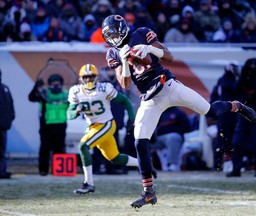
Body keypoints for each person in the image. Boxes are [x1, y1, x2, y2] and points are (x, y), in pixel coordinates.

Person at [101, 14, 256, 208]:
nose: (114, 37)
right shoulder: (113, 54)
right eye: (110, 34)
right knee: (139, 141)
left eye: (116, 32)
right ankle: (148, 192)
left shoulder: (141, 34)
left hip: (168, 85)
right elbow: (124, 84)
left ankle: (236, 106)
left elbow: (169, 56)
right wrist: (125, 62)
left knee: (210, 111)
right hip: (150, 98)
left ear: (124, 28)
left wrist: (149, 48)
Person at [67, 64, 154, 194]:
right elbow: (69, 113)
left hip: (106, 124)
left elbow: (124, 100)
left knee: (83, 146)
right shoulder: (76, 91)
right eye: (85, 77)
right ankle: (146, 164)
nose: (88, 80)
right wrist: (77, 111)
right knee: (115, 158)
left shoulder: (104, 88)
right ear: (81, 79)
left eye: (91, 77)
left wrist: (131, 118)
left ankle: (88, 183)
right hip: (92, 127)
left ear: (96, 77)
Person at [28, 73, 69, 176]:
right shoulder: (44, 94)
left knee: (59, 148)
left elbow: (77, 103)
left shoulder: (66, 95)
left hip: (61, 125)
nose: (55, 86)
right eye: (53, 84)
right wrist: (36, 86)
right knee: (45, 148)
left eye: (58, 84)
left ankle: (58, 170)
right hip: (46, 126)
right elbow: (31, 98)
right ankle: (43, 170)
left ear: (61, 84)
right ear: (49, 84)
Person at [152, 106, 191, 171]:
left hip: (175, 138)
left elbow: (186, 128)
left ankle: (173, 164)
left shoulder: (179, 112)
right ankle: (143, 165)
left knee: (173, 137)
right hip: (159, 139)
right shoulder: (160, 112)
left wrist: (168, 129)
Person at [0, 69, 15, 179]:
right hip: (3, 125)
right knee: (1, 150)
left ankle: (2, 171)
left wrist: (9, 119)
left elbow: (10, 106)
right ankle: (2, 171)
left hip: (3, 125)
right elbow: (11, 107)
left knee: (2, 150)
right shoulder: (5, 88)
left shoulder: (5, 88)